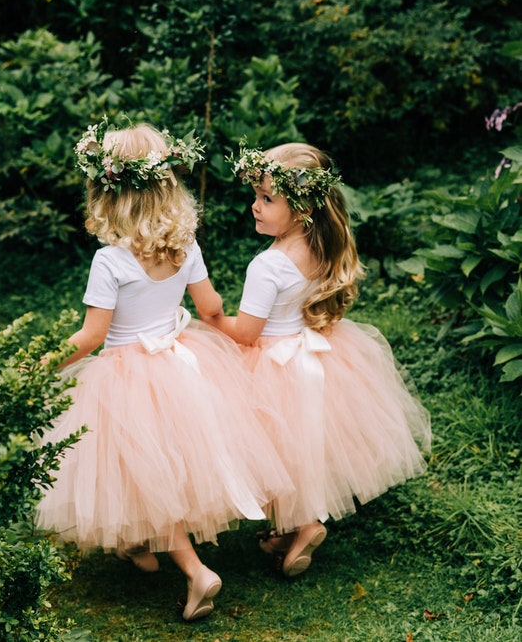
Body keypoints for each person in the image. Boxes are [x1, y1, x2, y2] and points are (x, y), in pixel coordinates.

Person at [36, 119, 292, 621]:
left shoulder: (110, 260)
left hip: (126, 377)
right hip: (183, 363)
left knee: (142, 472)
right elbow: (211, 306)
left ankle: (197, 572)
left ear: (107, 194)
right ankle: (137, 545)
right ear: (165, 185)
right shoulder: (185, 246)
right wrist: (229, 330)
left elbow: (90, 337)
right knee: (158, 468)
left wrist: (40, 364)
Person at [202, 140, 431, 578]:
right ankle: (293, 529)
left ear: (302, 208)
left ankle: (304, 524)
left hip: (270, 362)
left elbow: (248, 334)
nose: (255, 206)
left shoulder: (266, 267)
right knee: (301, 449)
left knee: (268, 453)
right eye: (255, 196)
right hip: (315, 355)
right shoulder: (321, 244)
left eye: (267, 199)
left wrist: (212, 320)